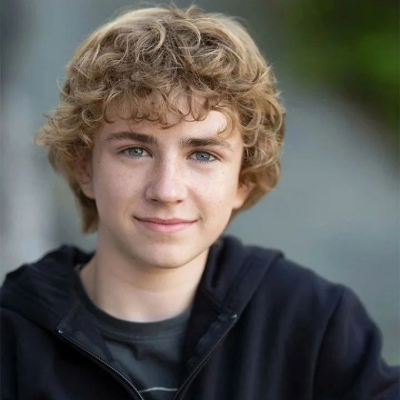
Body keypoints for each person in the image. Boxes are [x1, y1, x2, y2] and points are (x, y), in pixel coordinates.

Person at [1, 5, 398, 400]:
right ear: (84, 167)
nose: (167, 189)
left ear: (243, 180)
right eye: (135, 150)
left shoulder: (317, 325)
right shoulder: (12, 343)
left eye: (203, 155)